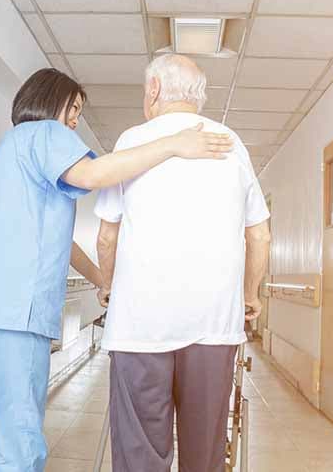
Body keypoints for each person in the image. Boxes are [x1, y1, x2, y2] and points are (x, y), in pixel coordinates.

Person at [0, 67, 234, 472]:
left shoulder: (7, 150)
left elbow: (58, 241)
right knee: (14, 437)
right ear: (49, 99)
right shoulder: (46, 134)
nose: (75, 120)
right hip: (9, 313)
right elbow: (93, 175)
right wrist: (174, 145)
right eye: (73, 109)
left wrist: (101, 280)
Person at [94, 54, 271, 472]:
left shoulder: (132, 140)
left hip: (141, 327)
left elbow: (107, 235)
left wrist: (107, 285)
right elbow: (259, 234)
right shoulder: (230, 143)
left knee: (140, 454)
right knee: (205, 453)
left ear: (153, 89)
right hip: (213, 327)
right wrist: (250, 294)